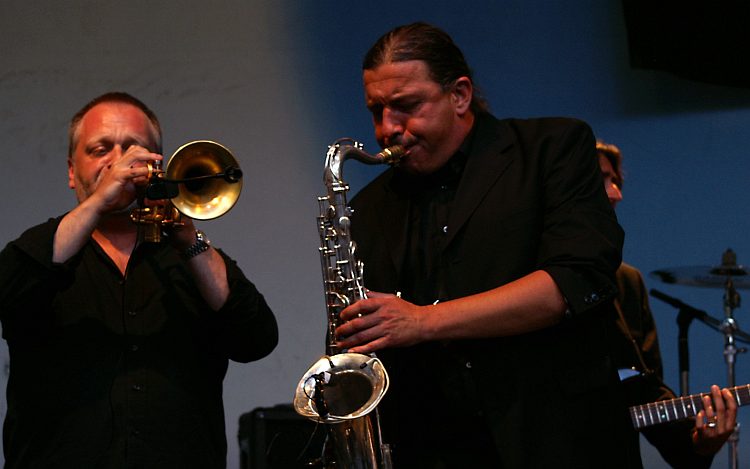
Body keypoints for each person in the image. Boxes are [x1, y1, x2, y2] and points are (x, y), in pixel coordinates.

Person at [334, 22, 638, 468]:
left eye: (406, 106)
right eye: (376, 110)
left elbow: (574, 281)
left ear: (460, 95)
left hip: (560, 441)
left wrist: (423, 320)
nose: (387, 129)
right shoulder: (367, 208)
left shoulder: (552, 149)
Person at [0, 92, 278, 468]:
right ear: (71, 171)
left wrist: (189, 240)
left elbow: (256, 340)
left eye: (134, 149)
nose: (119, 162)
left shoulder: (188, 257)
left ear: (157, 166)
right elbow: (9, 293)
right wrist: (99, 200)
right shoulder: (39, 250)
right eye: (100, 150)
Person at [597, 140, 737, 468]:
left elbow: (646, 391)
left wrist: (699, 444)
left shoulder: (626, 282)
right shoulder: (524, 278)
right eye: (602, 179)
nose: (616, 194)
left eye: (616, 181)